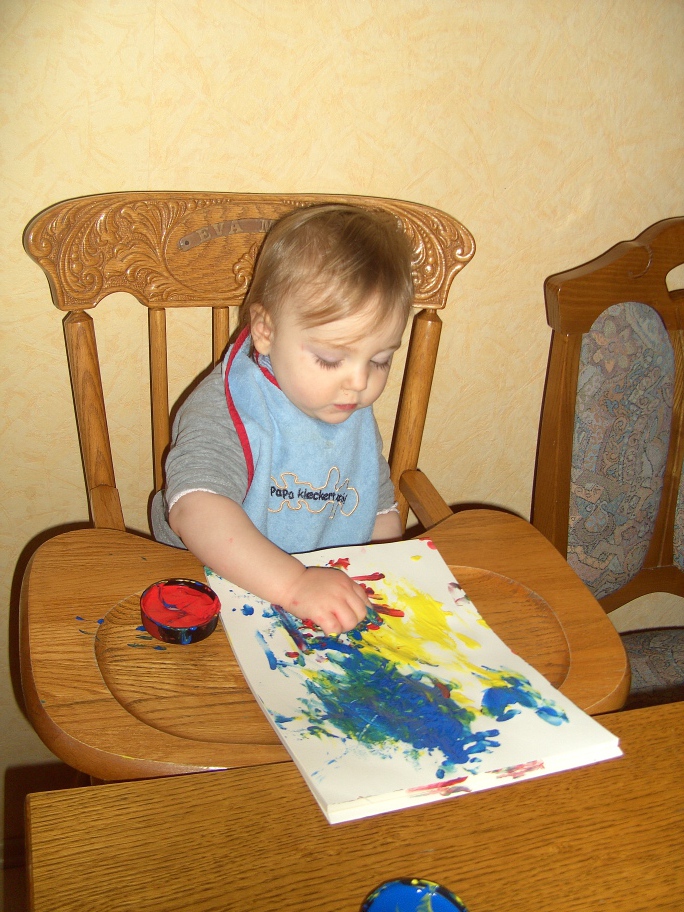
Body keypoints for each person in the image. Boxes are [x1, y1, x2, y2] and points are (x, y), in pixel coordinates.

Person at [151, 203, 414, 635]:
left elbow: (377, 508)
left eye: (380, 360)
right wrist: (294, 584)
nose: (360, 383)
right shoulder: (228, 408)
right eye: (330, 358)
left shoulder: (343, 403)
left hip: (309, 603)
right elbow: (194, 509)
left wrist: (382, 573)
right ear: (266, 331)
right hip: (202, 591)